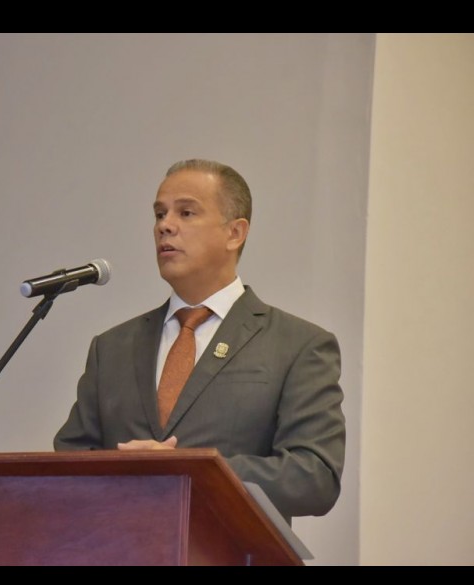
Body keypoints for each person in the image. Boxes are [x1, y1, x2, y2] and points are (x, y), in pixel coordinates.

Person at [53, 158, 345, 523]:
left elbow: (315, 477)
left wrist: (192, 471)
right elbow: (70, 461)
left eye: (186, 213)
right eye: (159, 214)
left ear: (235, 233)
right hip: (120, 545)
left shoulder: (297, 345)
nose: (165, 226)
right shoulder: (111, 348)